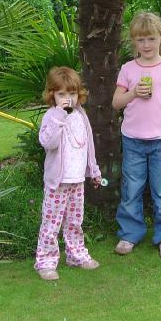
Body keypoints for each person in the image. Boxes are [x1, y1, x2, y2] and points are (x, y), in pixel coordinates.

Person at [112, 11, 161, 259]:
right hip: (132, 140)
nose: (147, 45)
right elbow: (116, 102)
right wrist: (132, 93)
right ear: (134, 42)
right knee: (131, 189)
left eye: (151, 39)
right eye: (141, 40)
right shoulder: (128, 69)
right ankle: (129, 233)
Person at [34, 66, 102, 281]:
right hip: (57, 182)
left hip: (77, 181)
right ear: (52, 94)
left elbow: (88, 145)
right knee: (51, 223)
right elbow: (48, 143)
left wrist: (94, 171)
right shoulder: (51, 116)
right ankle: (45, 262)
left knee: (75, 222)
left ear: (78, 94)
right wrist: (60, 116)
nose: (68, 98)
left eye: (72, 93)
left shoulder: (81, 115)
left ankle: (76, 255)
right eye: (62, 94)